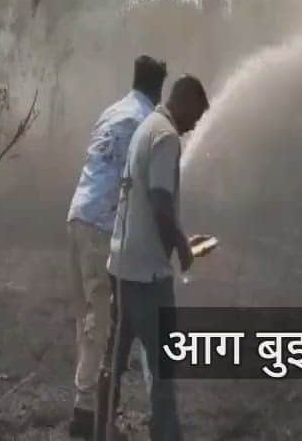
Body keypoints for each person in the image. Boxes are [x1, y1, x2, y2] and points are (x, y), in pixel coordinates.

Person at [95, 75, 209, 441]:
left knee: (113, 362)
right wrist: (182, 249)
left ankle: (101, 430)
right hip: (147, 279)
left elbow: (149, 205)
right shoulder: (166, 137)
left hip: (122, 266)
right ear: (185, 101)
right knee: (162, 373)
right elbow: (161, 201)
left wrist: (180, 238)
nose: (195, 126)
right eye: (196, 116)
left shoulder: (147, 128)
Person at [66, 55, 167, 439]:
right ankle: (86, 413)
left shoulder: (112, 112)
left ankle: (90, 406)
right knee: (102, 322)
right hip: (101, 227)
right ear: (158, 90)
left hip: (78, 216)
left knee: (90, 318)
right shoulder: (147, 124)